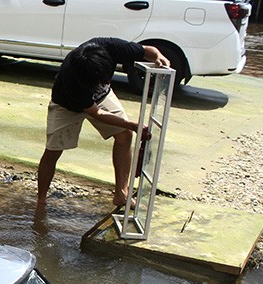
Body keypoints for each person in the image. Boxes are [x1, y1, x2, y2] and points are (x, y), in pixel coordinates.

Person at [36, 37, 169, 211]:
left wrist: (159, 58)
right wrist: (132, 124)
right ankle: (41, 201)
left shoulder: (111, 47)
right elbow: (96, 113)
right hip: (66, 104)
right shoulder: (72, 76)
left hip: (103, 96)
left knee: (124, 135)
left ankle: (121, 193)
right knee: (53, 151)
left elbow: (148, 50)